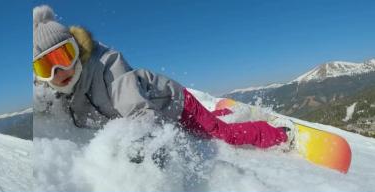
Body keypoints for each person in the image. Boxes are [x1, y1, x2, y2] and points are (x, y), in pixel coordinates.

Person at [32, 5, 291, 149]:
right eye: (46, 67)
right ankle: (216, 114)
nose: (59, 72)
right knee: (202, 127)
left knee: (221, 135)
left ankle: (280, 134)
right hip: (160, 110)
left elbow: (141, 112)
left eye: (63, 57)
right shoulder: (56, 90)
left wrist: (137, 144)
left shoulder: (109, 68)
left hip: (174, 103)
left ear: (77, 50)